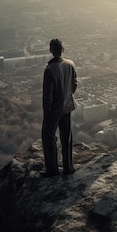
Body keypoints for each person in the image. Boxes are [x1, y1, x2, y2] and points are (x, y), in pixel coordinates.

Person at [41, 38, 78, 177]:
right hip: (67, 106)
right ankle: (69, 167)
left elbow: (47, 95)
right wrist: (67, 97)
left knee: (48, 136)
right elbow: (75, 84)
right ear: (63, 49)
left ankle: (52, 169)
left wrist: (47, 112)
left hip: (54, 109)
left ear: (51, 50)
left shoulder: (50, 69)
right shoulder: (70, 64)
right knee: (66, 136)